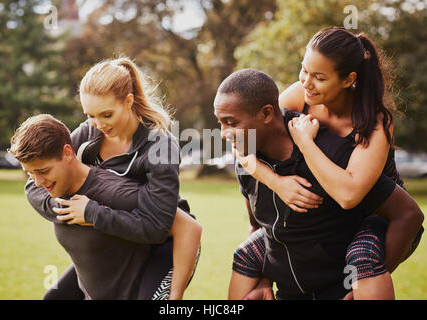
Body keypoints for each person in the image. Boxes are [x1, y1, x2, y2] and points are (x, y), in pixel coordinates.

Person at [231, 27, 424, 299]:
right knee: (246, 253)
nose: (307, 82)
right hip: (331, 215)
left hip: (378, 216)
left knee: (362, 259)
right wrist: (278, 183)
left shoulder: (373, 125)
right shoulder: (301, 95)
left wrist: (306, 143)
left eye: (319, 77)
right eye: (304, 70)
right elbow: (248, 140)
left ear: (348, 80)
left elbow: (349, 195)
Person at [24, 57, 199, 300]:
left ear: (128, 101)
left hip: (164, 246)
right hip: (118, 242)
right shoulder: (87, 133)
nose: (98, 124)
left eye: (106, 114)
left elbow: (157, 227)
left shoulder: (160, 146)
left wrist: (92, 214)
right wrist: (62, 207)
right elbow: (36, 186)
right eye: (90, 115)